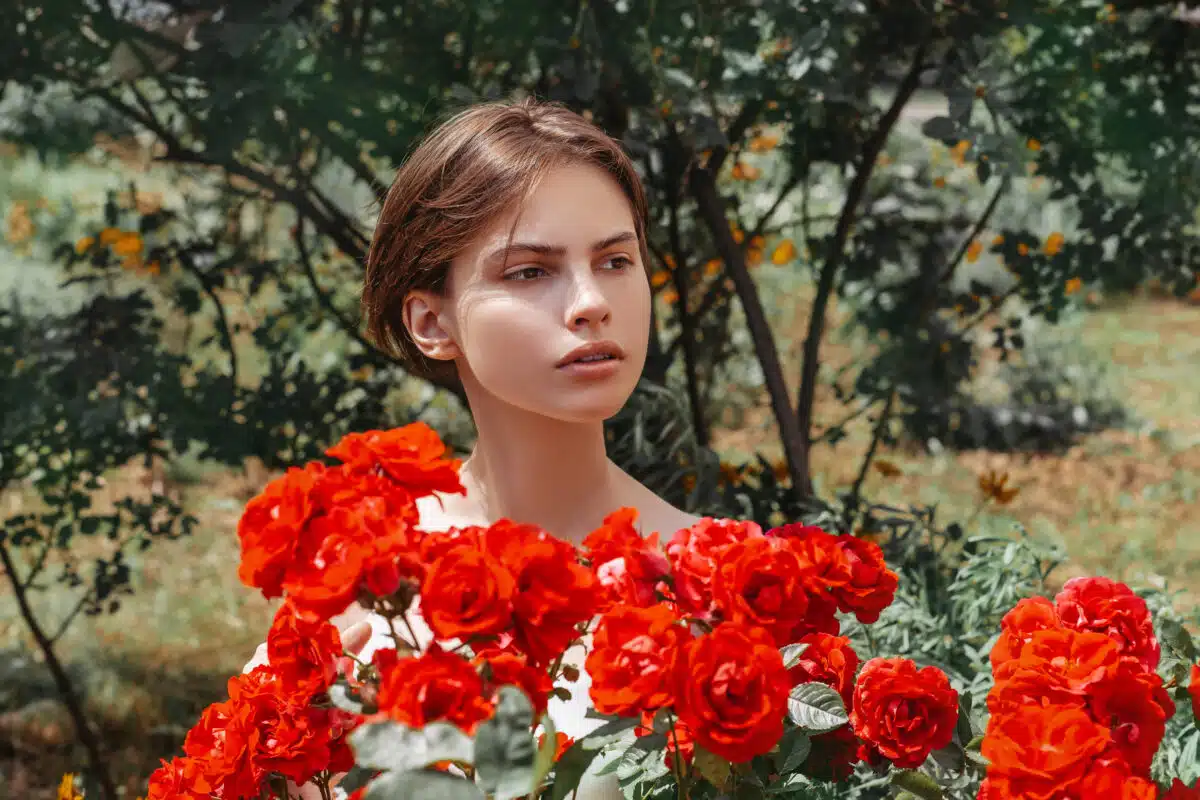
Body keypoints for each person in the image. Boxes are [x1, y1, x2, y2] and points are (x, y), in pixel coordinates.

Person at [243, 97, 703, 799]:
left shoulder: (721, 581)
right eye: (530, 272)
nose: (591, 302)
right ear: (432, 321)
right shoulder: (361, 594)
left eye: (615, 259)